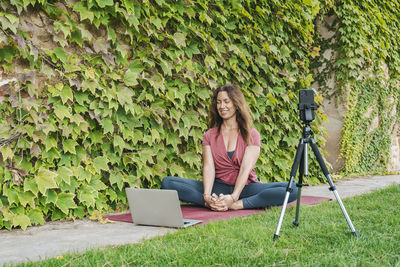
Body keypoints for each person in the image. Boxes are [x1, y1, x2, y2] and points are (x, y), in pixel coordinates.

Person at [161, 83, 297, 211]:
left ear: (236, 104)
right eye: (219, 102)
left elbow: (245, 169)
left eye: (226, 101)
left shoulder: (251, 134)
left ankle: (239, 205)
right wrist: (207, 196)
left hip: (246, 189)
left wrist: (233, 198)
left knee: (294, 188)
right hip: (218, 188)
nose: (222, 106)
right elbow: (209, 167)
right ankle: (212, 204)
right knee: (167, 183)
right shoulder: (209, 135)